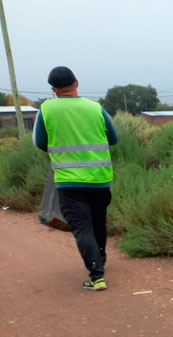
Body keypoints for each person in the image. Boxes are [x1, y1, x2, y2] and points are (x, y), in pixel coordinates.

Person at [33, 66, 119, 291]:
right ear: (76, 82)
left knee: (82, 227)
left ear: (54, 90)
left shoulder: (47, 109)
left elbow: (40, 142)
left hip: (69, 180)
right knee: (98, 222)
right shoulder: (96, 108)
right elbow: (114, 138)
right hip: (100, 178)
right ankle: (100, 259)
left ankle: (97, 276)